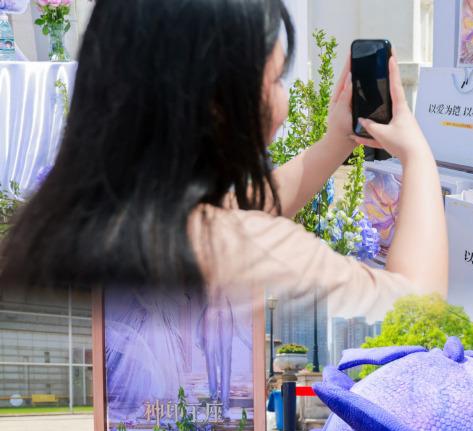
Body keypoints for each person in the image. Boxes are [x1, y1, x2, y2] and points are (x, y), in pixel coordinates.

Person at [0, 0, 448, 320]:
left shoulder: (44, 230)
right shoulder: (250, 251)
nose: (283, 102)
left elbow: (238, 209)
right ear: (217, 103)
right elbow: (417, 311)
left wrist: (337, 141)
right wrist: (418, 154)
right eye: (276, 80)